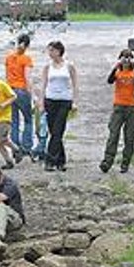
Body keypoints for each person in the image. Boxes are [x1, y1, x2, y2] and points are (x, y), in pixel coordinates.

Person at [100, 49, 134, 173]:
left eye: (129, 57)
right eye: (124, 57)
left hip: (132, 107)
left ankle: (125, 163)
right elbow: (109, 81)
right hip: (118, 106)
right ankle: (107, 162)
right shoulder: (118, 71)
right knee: (113, 135)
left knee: (130, 137)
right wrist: (115, 68)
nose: (126, 60)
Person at [38, 41, 79, 172]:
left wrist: (75, 101)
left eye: (51, 50)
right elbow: (43, 84)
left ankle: (49, 160)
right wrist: (41, 102)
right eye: (48, 51)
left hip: (64, 101)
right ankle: (61, 161)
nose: (49, 53)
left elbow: (75, 84)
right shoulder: (47, 66)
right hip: (50, 100)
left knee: (57, 130)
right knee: (54, 132)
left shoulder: (69, 65)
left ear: (58, 51)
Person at [5, 33, 34, 157]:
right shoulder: (26, 59)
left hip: (10, 90)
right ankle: (26, 147)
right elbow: (28, 78)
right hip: (22, 90)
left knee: (14, 121)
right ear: (27, 45)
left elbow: (7, 75)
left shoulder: (9, 57)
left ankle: (15, 147)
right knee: (28, 119)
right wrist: (32, 95)